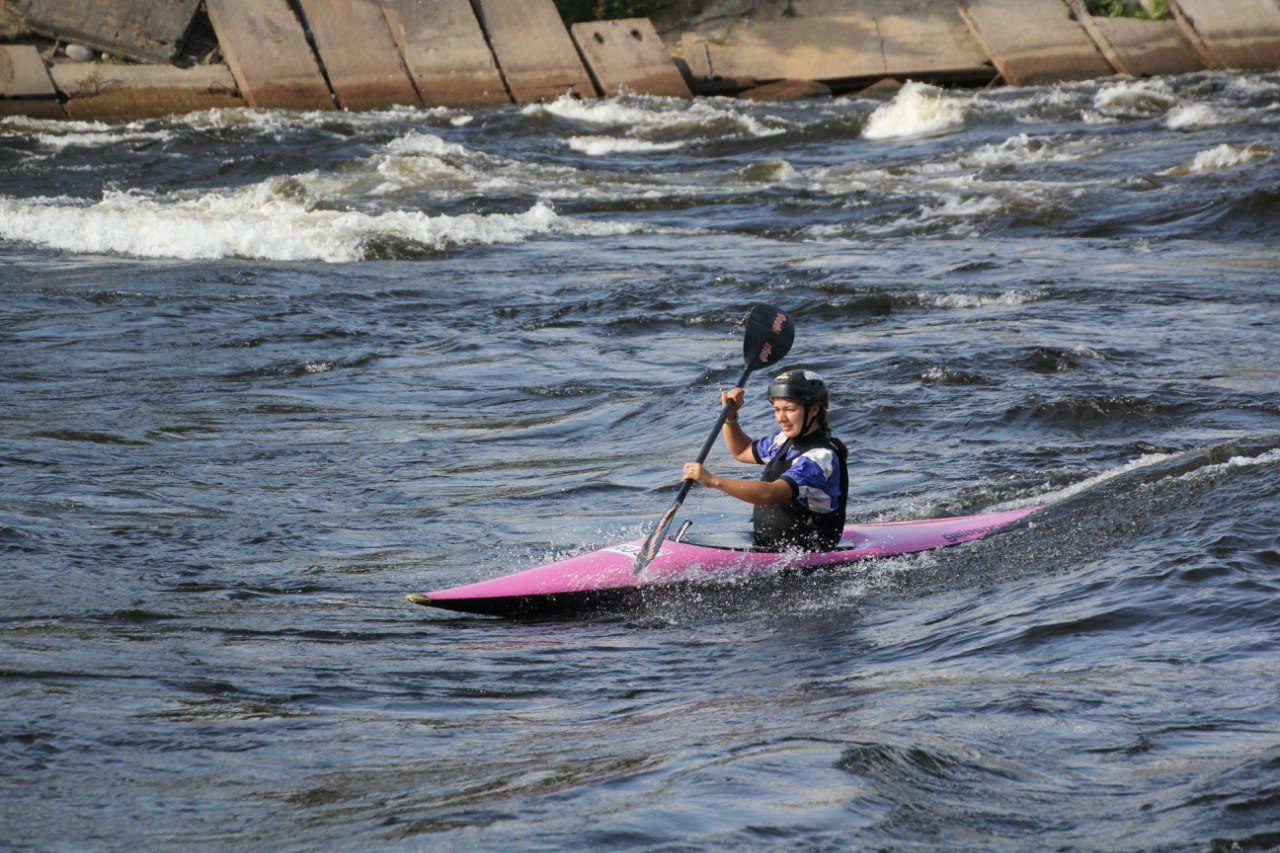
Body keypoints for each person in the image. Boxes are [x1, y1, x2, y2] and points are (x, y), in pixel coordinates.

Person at [682, 368, 849, 551]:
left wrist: (713, 481)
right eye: (776, 409)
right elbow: (742, 450)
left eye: (789, 409)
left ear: (815, 409)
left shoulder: (820, 458)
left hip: (808, 553)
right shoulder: (784, 440)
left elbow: (772, 494)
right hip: (772, 546)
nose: (781, 418)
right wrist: (730, 418)